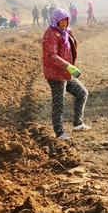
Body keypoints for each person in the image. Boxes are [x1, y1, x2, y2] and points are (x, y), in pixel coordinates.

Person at [43, 8, 90, 140]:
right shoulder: (51, 34)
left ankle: (78, 124)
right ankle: (59, 133)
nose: (64, 23)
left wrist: (69, 67)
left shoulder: (64, 33)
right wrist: (67, 66)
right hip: (56, 75)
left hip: (65, 73)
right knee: (59, 103)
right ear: (55, 21)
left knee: (82, 93)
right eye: (61, 20)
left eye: (66, 20)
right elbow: (50, 55)